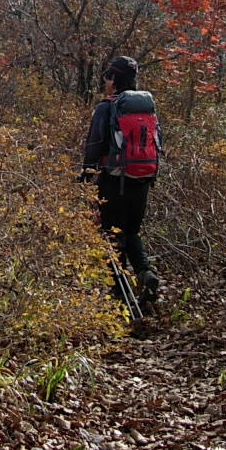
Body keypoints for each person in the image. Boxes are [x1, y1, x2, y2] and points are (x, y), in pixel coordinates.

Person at [81, 56, 161, 308]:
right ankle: (145, 272)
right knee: (132, 231)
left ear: (113, 78)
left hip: (113, 179)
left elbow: (94, 142)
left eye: (107, 76)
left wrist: (87, 171)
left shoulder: (107, 107)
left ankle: (118, 291)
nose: (105, 81)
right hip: (142, 177)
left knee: (110, 233)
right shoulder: (146, 107)